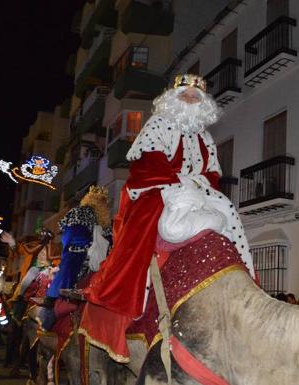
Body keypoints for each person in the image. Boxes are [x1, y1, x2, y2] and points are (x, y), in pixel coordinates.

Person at [81, 74, 256, 360]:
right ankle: (135, 288)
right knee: (155, 223)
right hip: (158, 188)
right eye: (185, 95)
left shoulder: (205, 137)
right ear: (173, 99)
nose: (189, 100)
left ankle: (244, 279)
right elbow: (148, 164)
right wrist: (177, 183)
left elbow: (212, 173)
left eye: (195, 97)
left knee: (227, 211)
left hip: (197, 190)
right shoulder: (158, 124)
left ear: (203, 104)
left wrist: (197, 185)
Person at [42, 185, 112, 308]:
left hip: (86, 255)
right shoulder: (82, 213)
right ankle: (54, 299)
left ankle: (53, 298)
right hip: (81, 256)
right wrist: (89, 246)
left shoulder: (85, 214)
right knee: (70, 267)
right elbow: (73, 237)